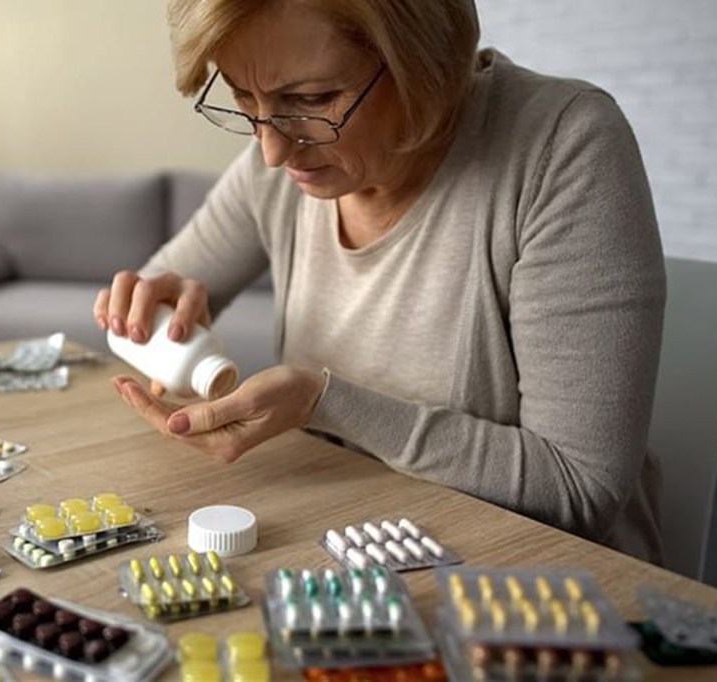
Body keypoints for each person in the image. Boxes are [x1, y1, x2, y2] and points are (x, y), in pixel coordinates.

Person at [94, 0, 665, 563]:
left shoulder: (563, 145)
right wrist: (150, 306)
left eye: (312, 100)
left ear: (426, 62)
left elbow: (579, 488)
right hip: (354, 545)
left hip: (538, 587)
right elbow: (156, 289)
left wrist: (325, 403)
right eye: (245, 98)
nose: (270, 150)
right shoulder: (281, 166)